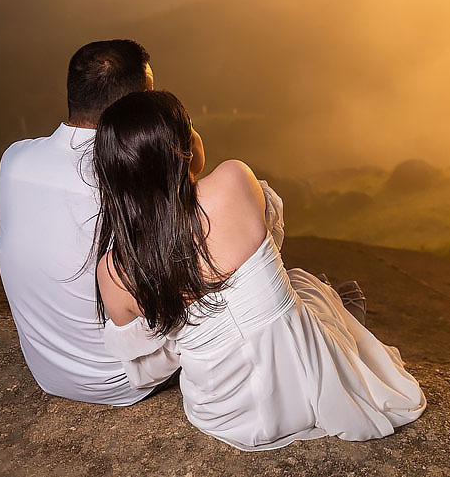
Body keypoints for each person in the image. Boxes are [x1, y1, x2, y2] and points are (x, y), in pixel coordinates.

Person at [93, 90, 426, 450]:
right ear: (184, 147)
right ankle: (338, 318)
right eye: (191, 127)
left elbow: (146, 373)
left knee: (297, 288)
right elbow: (272, 243)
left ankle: (332, 310)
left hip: (222, 411)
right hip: (305, 383)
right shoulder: (233, 179)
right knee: (301, 283)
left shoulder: (114, 271)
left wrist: (190, 330)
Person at [0, 39, 164, 405]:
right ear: (137, 109)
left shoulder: (15, 160)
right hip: (125, 379)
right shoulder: (131, 178)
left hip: (49, 373)